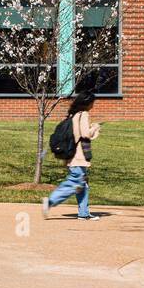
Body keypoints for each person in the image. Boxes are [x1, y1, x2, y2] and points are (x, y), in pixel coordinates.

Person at [43, 91, 101, 220]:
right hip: (78, 156)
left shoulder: (74, 115)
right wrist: (95, 128)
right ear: (87, 103)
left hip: (72, 155)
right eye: (92, 102)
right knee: (76, 182)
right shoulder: (84, 114)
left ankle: (83, 213)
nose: (93, 105)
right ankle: (50, 201)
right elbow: (85, 134)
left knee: (83, 185)